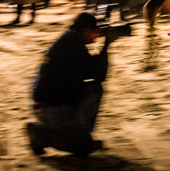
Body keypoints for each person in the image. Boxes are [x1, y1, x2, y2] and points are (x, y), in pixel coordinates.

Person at [27, 12, 119, 156]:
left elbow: (91, 69)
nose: (96, 35)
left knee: (93, 88)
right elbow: (98, 73)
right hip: (52, 109)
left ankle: (75, 134)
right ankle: (41, 135)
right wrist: (107, 44)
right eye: (94, 31)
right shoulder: (73, 45)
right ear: (86, 30)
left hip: (47, 105)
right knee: (81, 147)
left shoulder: (70, 40)